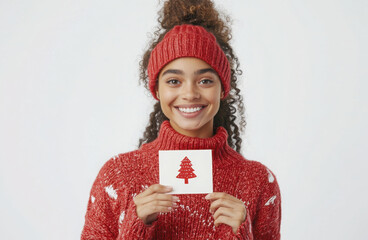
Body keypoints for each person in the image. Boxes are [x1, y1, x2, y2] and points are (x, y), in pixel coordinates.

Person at [81, 0, 281, 239]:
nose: (190, 94)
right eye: (174, 81)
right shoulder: (117, 176)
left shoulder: (258, 181)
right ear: (157, 90)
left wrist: (242, 234)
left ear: (223, 89)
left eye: (205, 80)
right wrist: (134, 228)